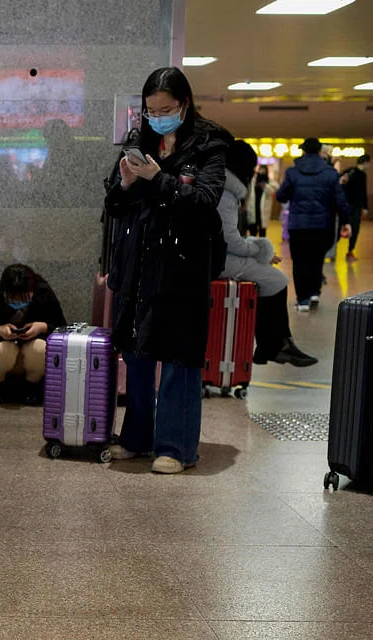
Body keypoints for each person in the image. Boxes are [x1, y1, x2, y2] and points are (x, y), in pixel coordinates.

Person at [104, 67, 232, 474]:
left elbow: (204, 201)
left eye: (165, 110)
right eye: (150, 111)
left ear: (185, 104)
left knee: (178, 357)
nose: (157, 117)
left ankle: (176, 448)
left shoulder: (209, 144)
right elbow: (114, 205)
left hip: (182, 266)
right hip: (139, 263)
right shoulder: (139, 140)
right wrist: (126, 183)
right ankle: (137, 437)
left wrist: (159, 178)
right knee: (137, 353)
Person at [218, 141, 317, 367]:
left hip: (214, 254)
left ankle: (272, 346)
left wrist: (256, 249)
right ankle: (274, 346)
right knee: (275, 279)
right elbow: (230, 241)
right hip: (216, 259)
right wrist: (260, 250)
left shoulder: (221, 187)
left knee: (271, 276)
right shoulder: (226, 193)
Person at [0, 264, 66, 405]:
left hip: (30, 357)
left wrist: (43, 327)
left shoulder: (43, 293)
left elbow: (63, 329)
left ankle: (33, 391)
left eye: (24, 297)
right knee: (5, 350)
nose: (19, 302)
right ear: (4, 292)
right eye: (13, 298)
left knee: (40, 348)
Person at [275, 138, 351, 312]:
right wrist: (346, 221)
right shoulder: (331, 173)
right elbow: (340, 201)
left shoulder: (293, 172)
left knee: (300, 262)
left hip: (298, 226)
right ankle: (314, 292)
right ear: (319, 152)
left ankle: (302, 300)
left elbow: (281, 196)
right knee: (316, 259)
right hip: (322, 225)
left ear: (303, 151)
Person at [340, 154, 369, 261]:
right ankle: (331, 251)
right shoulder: (351, 171)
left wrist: (365, 206)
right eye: (369, 164)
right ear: (365, 163)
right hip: (347, 205)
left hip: (356, 206)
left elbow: (363, 192)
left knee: (355, 229)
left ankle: (350, 251)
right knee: (341, 227)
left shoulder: (363, 175)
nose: (369, 166)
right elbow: (341, 183)